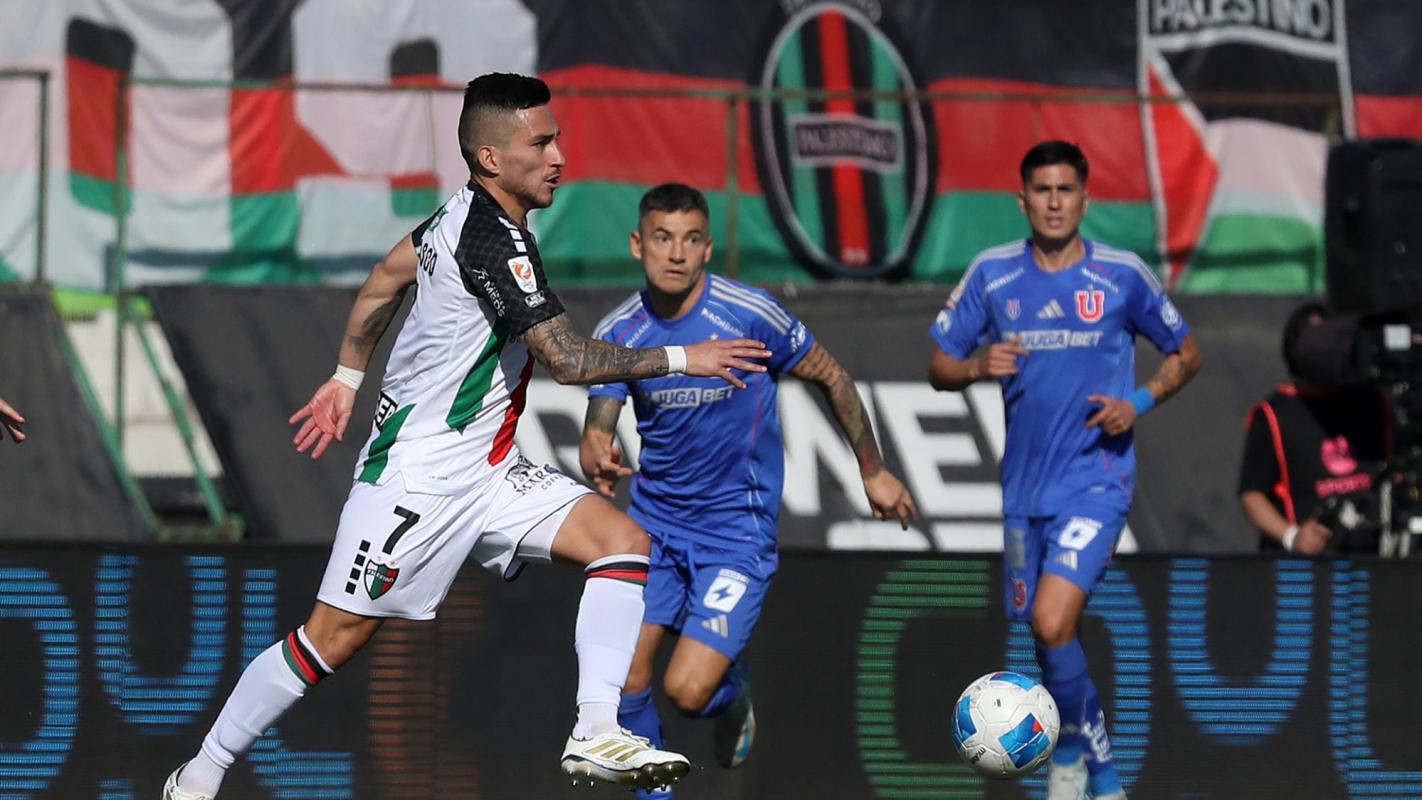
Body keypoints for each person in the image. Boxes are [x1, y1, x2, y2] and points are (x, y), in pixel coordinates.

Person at [162, 73, 774, 800]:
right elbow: (568, 360)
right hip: (416, 479)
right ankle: (199, 775)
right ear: (491, 158)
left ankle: (594, 729)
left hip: (489, 470)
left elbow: (386, 278)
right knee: (331, 640)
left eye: (556, 140)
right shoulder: (492, 240)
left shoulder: (457, 218)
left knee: (622, 542)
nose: (558, 158)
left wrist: (347, 377)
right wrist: (682, 357)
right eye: (540, 144)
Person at [580, 182, 917, 799]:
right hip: (654, 531)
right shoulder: (621, 330)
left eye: (690, 239)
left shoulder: (749, 313)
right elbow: (600, 420)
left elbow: (831, 376)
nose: (676, 253)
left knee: (688, 692)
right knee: (627, 678)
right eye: (662, 238)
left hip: (737, 534)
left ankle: (732, 695)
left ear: (708, 248)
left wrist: (872, 469)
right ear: (636, 245)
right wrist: (596, 447)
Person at [927, 141, 1201, 800]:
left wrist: (1137, 403)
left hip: (1096, 481)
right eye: (1042, 190)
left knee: (1052, 621)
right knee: (1049, 635)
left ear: (1085, 198)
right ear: (1022, 200)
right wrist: (976, 366)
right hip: (1025, 493)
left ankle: (1098, 777)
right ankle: (1076, 751)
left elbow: (1186, 353)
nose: (1054, 202)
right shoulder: (993, 274)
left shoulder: (1121, 275)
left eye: (1065, 190)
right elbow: (939, 364)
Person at [1238, 302, 1389, 554]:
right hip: (1305, 566)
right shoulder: (1274, 414)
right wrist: (1292, 536)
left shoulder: (1372, 400)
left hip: (1373, 558)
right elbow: (1252, 495)